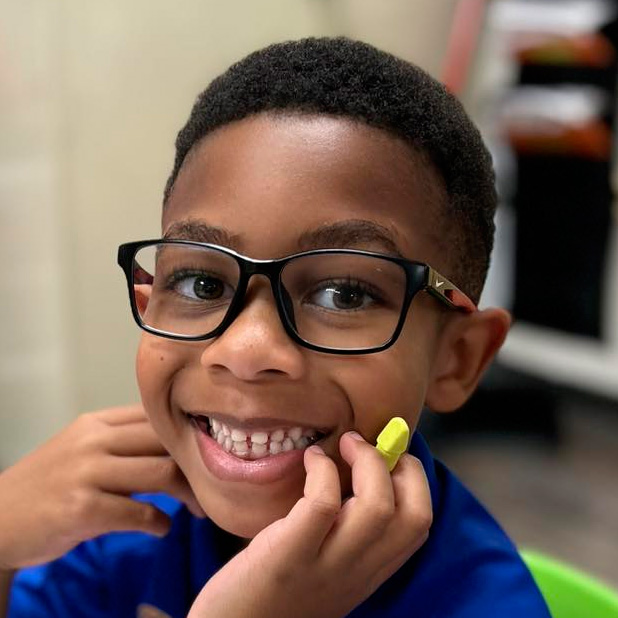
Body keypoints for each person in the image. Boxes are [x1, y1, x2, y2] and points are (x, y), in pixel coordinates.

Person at [0, 37, 551, 617]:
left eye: (344, 293)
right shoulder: (118, 523)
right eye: (200, 284)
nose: (245, 350)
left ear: (457, 358)